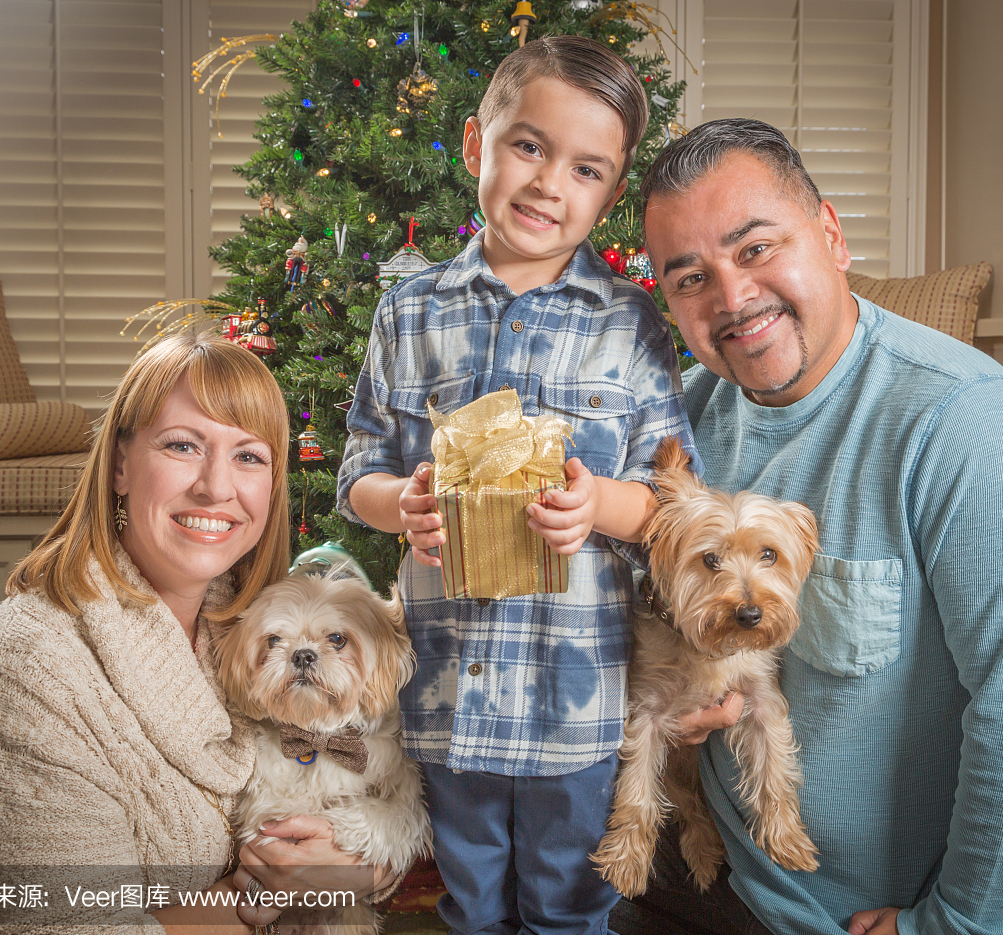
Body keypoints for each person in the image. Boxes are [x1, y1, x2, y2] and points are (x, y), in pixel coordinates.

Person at [609, 117, 1003, 935]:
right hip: (715, 853)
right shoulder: (680, 422)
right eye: (690, 277)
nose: (732, 298)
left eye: (756, 248)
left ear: (830, 234)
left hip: (868, 910)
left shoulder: (962, 422)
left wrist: (958, 924)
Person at [337, 36, 701, 935]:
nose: (548, 184)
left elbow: (672, 502)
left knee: (568, 906)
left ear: (610, 196)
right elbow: (359, 469)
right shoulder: (409, 310)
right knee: (469, 901)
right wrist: (401, 502)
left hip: (573, 699)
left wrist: (599, 508)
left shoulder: (634, 326)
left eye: (585, 168)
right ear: (476, 145)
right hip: (445, 691)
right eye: (529, 147)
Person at [0, 330, 392, 932]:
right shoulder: (34, 665)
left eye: (249, 456)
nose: (216, 487)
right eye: (182, 446)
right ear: (119, 465)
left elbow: (375, 822)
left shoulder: (252, 631)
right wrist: (259, 897)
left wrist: (354, 866)